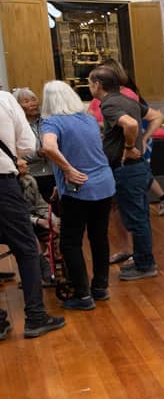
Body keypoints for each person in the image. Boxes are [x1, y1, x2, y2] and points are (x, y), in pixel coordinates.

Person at [40, 80, 116, 309]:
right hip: (104, 183)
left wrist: (68, 170)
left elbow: (49, 147)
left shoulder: (51, 122)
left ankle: (82, 295)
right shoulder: (89, 119)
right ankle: (100, 287)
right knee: (99, 236)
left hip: (79, 189)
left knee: (71, 242)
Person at [0, 90, 65, 340]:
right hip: (2, 182)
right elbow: (28, 144)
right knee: (26, 248)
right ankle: (36, 317)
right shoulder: (5, 100)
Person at [88, 66, 163, 281]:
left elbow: (129, 124)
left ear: (98, 85)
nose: (89, 86)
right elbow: (157, 116)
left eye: (90, 82)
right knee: (140, 217)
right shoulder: (128, 100)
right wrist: (145, 137)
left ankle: (145, 265)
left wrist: (130, 147)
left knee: (136, 219)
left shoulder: (110, 104)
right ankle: (143, 260)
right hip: (136, 169)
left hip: (128, 170)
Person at [17, 158, 58, 284]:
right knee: (28, 234)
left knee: (58, 225)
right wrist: (38, 221)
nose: (25, 162)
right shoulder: (8, 187)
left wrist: (52, 219)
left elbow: (40, 204)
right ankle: (42, 268)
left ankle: (51, 263)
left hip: (30, 217)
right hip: (15, 222)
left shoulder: (30, 180)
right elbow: (15, 215)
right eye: (20, 161)